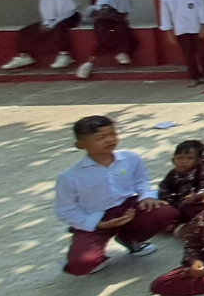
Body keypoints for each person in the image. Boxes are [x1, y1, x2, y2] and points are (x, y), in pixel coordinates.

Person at [55, 115, 177, 275]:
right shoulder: (70, 176)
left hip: (128, 211)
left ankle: (130, 239)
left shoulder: (130, 158)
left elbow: (142, 181)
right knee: (83, 264)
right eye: (101, 137)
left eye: (113, 134)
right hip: (95, 220)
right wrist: (98, 224)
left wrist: (147, 196)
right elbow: (65, 210)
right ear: (81, 145)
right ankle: (91, 251)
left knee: (166, 212)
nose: (110, 140)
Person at [3, 0, 82, 71]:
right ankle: (24, 56)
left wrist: (51, 25)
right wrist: (45, 24)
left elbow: (68, 13)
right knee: (25, 31)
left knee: (59, 29)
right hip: (51, 21)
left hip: (69, 18)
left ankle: (64, 55)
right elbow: (46, 15)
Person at [80, 0, 134, 77]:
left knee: (122, 30)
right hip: (104, 21)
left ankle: (122, 53)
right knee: (103, 38)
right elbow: (103, 12)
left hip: (119, 21)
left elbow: (125, 11)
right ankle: (90, 62)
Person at [158, 139, 204, 225]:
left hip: (195, 203)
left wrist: (197, 196)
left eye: (189, 158)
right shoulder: (172, 174)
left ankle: (187, 225)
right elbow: (164, 188)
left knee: (194, 209)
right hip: (176, 203)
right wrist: (168, 202)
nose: (184, 161)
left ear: (198, 160)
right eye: (180, 158)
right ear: (173, 160)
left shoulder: (203, 172)